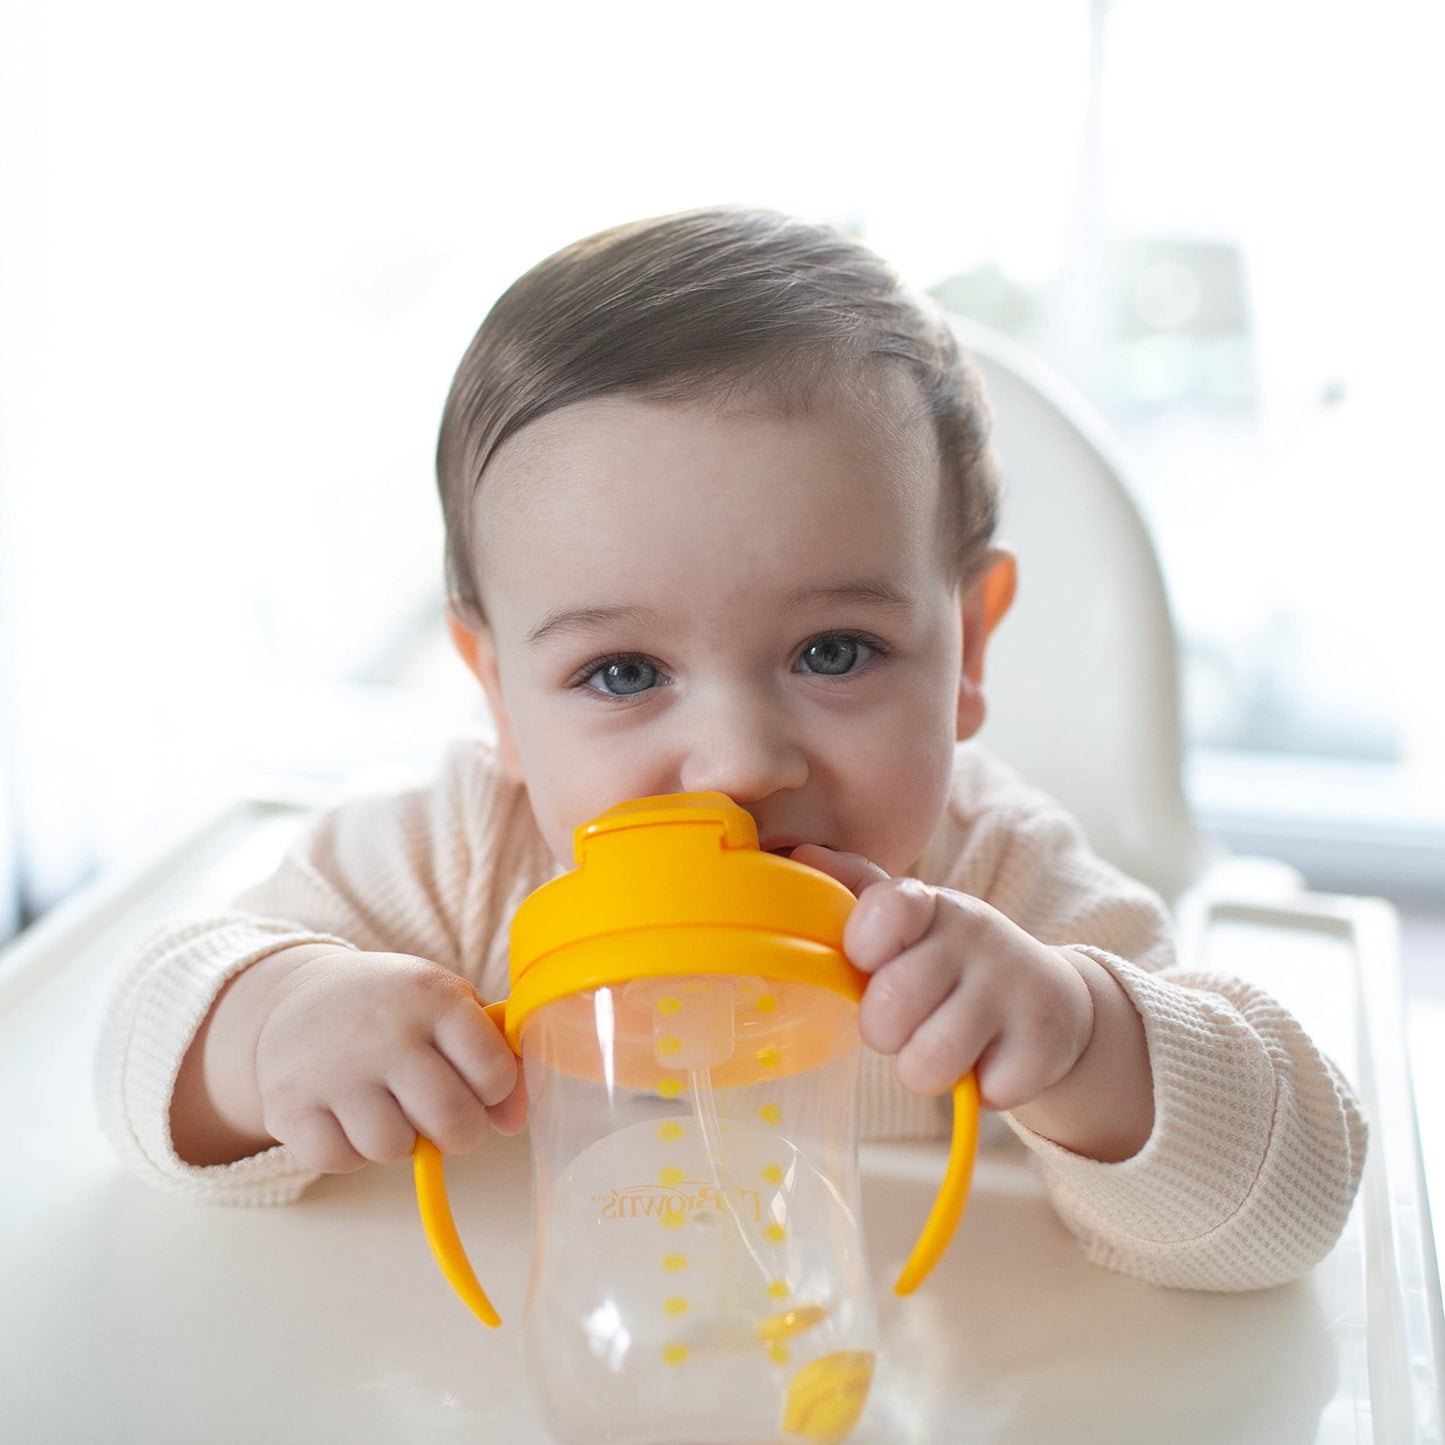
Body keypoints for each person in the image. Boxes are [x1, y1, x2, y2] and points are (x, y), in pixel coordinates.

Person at [95, 207, 1365, 1292]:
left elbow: (1295, 1198)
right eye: (622, 673)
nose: (738, 762)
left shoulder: (997, 892)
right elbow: (136, 1042)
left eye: (832, 651)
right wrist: (268, 1030)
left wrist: (1082, 1040)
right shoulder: (450, 861)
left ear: (967, 648)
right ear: (497, 695)